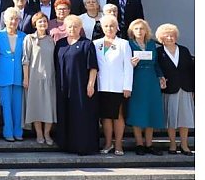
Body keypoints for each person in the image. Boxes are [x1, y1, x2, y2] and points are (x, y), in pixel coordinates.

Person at [53, 15, 99, 155]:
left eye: (75, 26)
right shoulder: (60, 43)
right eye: (69, 26)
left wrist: (90, 84)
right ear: (65, 28)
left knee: (81, 115)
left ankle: (83, 146)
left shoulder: (87, 44)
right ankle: (65, 144)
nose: (72, 29)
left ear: (80, 28)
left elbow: (93, 67)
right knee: (65, 113)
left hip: (81, 86)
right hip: (63, 86)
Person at [93, 15, 133, 156]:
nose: (109, 28)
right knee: (105, 117)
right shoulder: (96, 44)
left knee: (118, 116)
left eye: (112, 26)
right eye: (106, 26)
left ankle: (118, 145)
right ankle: (108, 143)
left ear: (117, 27)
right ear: (102, 28)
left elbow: (128, 66)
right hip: (101, 86)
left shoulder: (123, 44)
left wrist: (127, 86)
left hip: (118, 86)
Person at [126, 19, 167, 156]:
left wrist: (160, 76)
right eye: (136, 29)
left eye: (141, 28)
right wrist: (130, 63)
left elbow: (156, 64)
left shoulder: (151, 44)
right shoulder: (128, 44)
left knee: (151, 111)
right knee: (138, 111)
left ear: (146, 30)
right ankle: (139, 144)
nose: (139, 31)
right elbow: (123, 64)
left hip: (151, 80)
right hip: (136, 79)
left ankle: (149, 144)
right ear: (132, 31)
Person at [155, 23, 195, 156]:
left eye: (172, 35)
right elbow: (157, 69)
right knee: (171, 118)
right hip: (169, 89)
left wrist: (194, 89)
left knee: (185, 118)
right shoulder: (159, 52)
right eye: (167, 36)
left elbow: (191, 70)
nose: (170, 38)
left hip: (185, 88)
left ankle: (184, 145)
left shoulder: (184, 50)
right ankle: (172, 144)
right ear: (161, 38)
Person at [22, 12, 57, 145]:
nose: (42, 24)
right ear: (35, 24)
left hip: (50, 77)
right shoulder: (29, 38)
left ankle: (47, 134)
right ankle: (39, 134)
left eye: (44, 21)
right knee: (36, 106)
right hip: (34, 77)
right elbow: (25, 59)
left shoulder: (51, 39)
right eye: (39, 22)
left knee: (49, 106)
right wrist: (26, 78)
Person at [0, 7, 26, 141]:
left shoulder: (24, 36)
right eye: (10, 19)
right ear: (5, 20)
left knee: (18, 105)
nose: (13, 21)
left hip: (19, 75)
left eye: (16, 19)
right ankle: (8, 132)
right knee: (6, 105)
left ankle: (18, 131)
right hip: (3, 75)